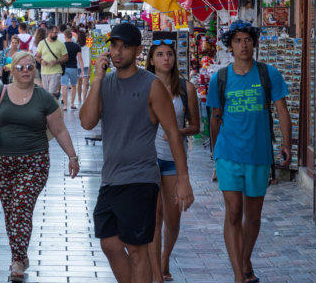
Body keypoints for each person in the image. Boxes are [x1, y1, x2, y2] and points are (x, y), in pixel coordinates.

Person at [79, 23, 194, 283]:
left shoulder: (151, 85)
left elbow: (173, 133)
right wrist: (96, 79)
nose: (118, 52)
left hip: (141, 178)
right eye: (114, 46)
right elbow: (87, 122)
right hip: (110, 178)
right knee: (109, 243)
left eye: (125, 47)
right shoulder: (105, 83)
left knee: (137, 250)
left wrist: (183, 179)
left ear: (138, 51)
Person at [206, 21, 291, 283]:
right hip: (228, 154)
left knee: (253, 216)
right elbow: (215, 119)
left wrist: (286, 144)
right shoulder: (219, 79)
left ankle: (244, 260)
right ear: (230, 46)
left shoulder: (269, 75)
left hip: (259, 155)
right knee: (233, 211)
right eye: (238, 40)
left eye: (247, 39)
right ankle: (238, 274)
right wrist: (215, 154)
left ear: (254, 43)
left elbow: (282, 111)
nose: (243, 44)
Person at [0, 50, 80, 281]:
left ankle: (17, 261)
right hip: (2, 162)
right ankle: (20, 254)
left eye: (29, 67)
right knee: (11, 211)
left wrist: (72, 156)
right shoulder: (1, 92)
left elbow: (59, 129)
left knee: (20, 207)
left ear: (34, 70)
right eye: (20, 67)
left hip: (34, 162)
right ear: (12, 70)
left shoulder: (44, 98)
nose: (25, 71)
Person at [144, 39, 201, 283]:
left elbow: (196, 126)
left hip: (173, 161)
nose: (166, 58)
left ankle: (165, 257)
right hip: (149, 159)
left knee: (173, 218)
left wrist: (177, 132)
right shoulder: (145, 87)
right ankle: (156, 272)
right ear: (151, 60)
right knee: (154, 217)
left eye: (169, 54)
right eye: (160, 54)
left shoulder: (186, 89)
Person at [35, 26, 66, 98]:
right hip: (44, 72)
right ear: (49, 32)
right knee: (46, 94)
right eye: (54, 33)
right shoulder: (42, 43)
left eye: (57, 33)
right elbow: (37, 57)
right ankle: (51, 107)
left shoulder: (61, 44)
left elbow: (66, 57)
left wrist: (56, 61)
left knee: (52, 93)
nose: (56, 34)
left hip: (56, 71)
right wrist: (41, 61)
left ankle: (52, 108)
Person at [60, 27, 83, 110]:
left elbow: (60, 57)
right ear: (71, 36)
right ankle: (72, 104)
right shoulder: (76, 46)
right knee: (73, 86)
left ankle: (65, 105)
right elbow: (80, 59)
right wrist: (82, 70)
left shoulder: (62, 45)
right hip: (73, 68)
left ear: (65, 36)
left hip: (64, 68)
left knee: (64, 86)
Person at [76, 29, 91, 105]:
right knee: (85, 84)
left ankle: (79, 97)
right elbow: (89, 58)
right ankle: (84, 99)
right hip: (86, 66)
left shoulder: (76, 45)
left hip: (78, 66)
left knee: (79, 83)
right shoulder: (88, 45)